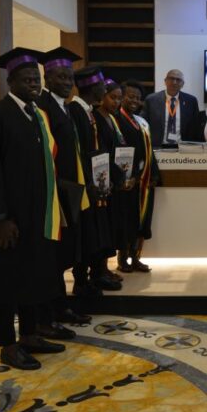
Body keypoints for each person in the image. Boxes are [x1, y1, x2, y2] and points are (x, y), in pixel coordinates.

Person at [0, 47, 66, 370]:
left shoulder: (36, 116)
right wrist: (0, 218)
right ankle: (8, 345)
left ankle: (29, 335)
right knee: (6, 281)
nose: (34, 84)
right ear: (10, 81)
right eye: (27, 80)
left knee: (31, 276)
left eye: (36, 79)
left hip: (35, 215)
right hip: (8, 219)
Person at [35, 47, 91, 338]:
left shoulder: (64, 106)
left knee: (63, 253)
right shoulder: (43, 106)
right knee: (52, 258)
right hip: (55, 193)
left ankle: (61, 306)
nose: (67, 82)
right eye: (61, 77)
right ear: (47, 78)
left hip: (70, 191)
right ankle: (51, 313)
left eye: (70, 77)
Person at [68, 66, 121, 294]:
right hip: (85, 183)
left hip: (97, 181)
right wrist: (91, 181)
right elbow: (81, 152)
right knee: (85, 233)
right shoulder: (75, 111)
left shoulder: (87, 111)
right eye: (101, 86)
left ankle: (96, 274)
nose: (104, 89)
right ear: (92, 87)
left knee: (96, 231)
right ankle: (82, 282)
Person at [115, 80, 160, 273]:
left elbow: (149, 150)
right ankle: (122, 258)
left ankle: (136, 257)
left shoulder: (141, 121)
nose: (134, 100)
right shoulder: (116, 120)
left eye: (138, 98)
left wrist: (154, 173)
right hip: (127, 180)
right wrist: (127, 176)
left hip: (143, 180)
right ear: (122, 97)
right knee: (127, 220)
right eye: (130, 96)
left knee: (141, 220)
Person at [93, 79, 130, 280]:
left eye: (119, 98)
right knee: (102, 226)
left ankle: (105, 268)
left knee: (112, 226)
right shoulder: (96, 117)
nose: (116, 102)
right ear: (103, 96)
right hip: (102, 179)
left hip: (114, 179)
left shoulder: (113, 118)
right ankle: (99, 270)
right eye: (112, 97)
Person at [143, 69, 199, 147]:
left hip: (182, 148)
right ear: (165, 81)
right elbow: (144, 124)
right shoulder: (151, 100)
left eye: (178, 80)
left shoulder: (191, 101)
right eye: (171, 78)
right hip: (158, 147)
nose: (174, 82)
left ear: (182, 84)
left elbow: (195, 126)